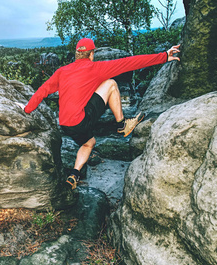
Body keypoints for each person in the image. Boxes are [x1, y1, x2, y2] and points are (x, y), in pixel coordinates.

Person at [17, 38, 180, 189]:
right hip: (81, 120)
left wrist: (26, 109)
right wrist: (164, 56)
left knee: (89, 142)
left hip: (65, 123)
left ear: (77, 54)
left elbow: (43, 90)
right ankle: (122, 125)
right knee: (110, 83)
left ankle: (73, 176)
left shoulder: (63, 71)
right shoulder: (95, 68)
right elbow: (129, 63)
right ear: (92, 54)